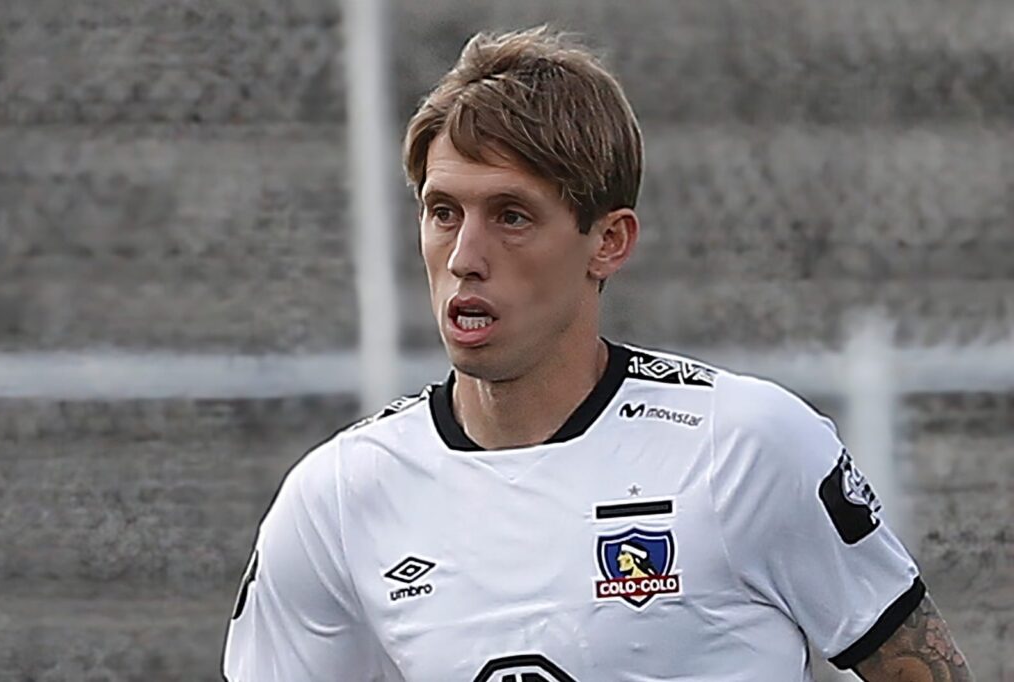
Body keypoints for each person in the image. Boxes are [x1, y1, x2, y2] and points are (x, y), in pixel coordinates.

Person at [222, 27, 974, 681]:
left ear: (607, 242)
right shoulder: (339, 498)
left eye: (511, 216)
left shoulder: (743, 446)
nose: (465, 257)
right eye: (443, 213)